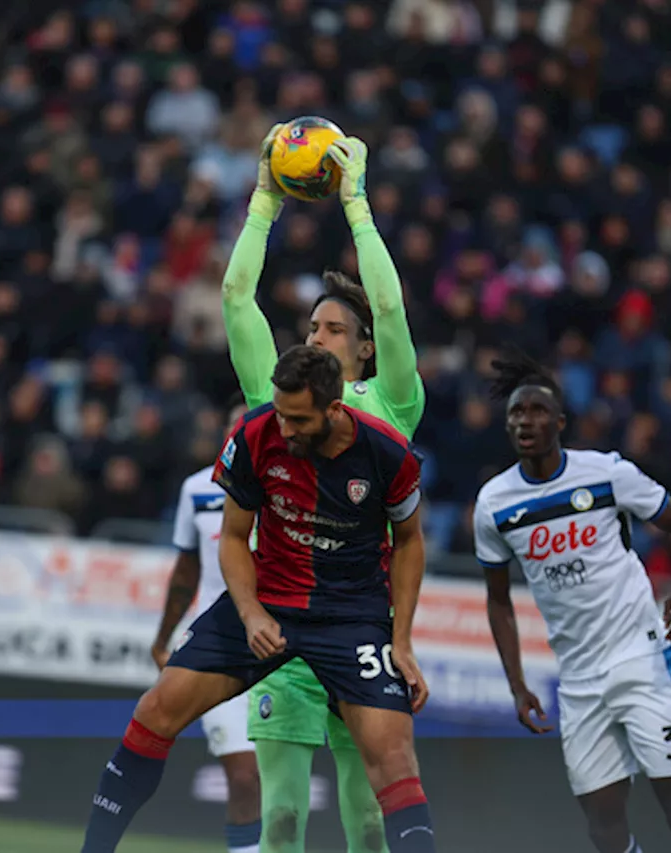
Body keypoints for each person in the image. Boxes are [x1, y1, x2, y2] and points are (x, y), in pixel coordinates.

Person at [82, 346, 437, 853]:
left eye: (298, 418)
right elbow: (231, 538)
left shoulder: (387, 453)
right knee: (155, 711)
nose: (285, 428)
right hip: (268, 600)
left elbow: (408, 543)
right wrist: (249, 613)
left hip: (353, 617)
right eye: (279, 412)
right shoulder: (254, 434)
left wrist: (401, 641)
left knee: (395, 763)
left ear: (333, 410)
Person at [222, 125, 425, 853]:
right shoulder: (278, 403)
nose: (316, 336)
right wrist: (264, 203)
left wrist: (357, 204)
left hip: (364, 629)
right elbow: (237, 295)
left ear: (364, 348)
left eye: (335, 328)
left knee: (368, 823)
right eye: (311, 325)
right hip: (285, 627)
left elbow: (393, 309)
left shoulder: (391, 406)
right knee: (280, 819)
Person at [474, 349, 671, 853]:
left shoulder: (605, 473)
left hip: (639, 657)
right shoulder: (494, 505)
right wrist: (517, 684)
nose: (525, 420)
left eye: (537, 411)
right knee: (603, 827)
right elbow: (498, 601)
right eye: (516, 413)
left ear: (561, 422)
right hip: (578, 679)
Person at [151, 393, 261, 853]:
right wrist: (163, 639)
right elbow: (186, 571)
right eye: (238, 426)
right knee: (244, 774)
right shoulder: (198, 489)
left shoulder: (291, 490)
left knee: (280, 777)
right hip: (220, 647)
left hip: (288, 647)